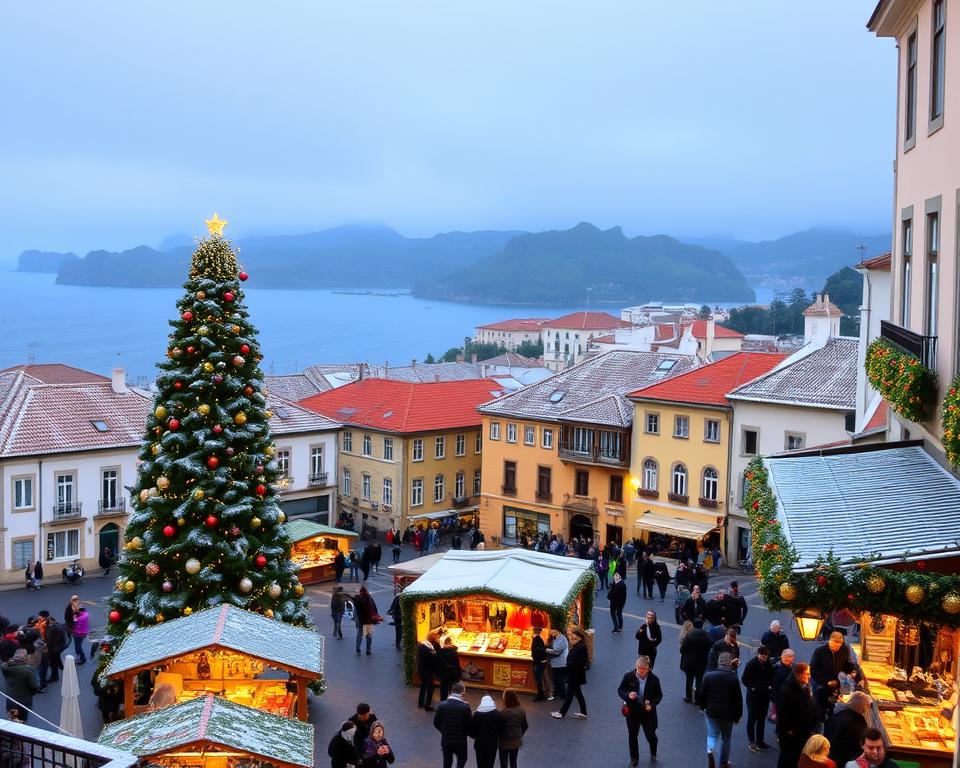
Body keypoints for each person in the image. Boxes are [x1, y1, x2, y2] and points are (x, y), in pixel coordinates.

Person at [699, 652, 743, 768]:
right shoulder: (733, 678)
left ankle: (710, 750)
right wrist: (738, 716)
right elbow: (738, 700)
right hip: (728, 714)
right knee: (726, 738)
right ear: (729, 663)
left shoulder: (709, 676)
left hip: (712, 711)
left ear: (718, 662)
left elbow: (703, 694)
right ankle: (723, 762)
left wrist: (702, 707)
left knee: (712, 734)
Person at [618, 655, 662, 765]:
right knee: (632, 735)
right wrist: (628, 695)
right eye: (638, 668)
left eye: (643, 669)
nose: (640, 671)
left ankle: (653, 750)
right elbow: (620, 690)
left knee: (650, 735)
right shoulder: (629, 676)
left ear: (648, 668)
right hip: (633, 711)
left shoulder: (654, 679)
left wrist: (651, 704)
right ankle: (634, 759)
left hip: (648, 712)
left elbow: (659, 696)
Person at [811, 632, 857, 725]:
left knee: (833, 707)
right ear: (830, 641)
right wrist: (826, 682)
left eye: (840, 644)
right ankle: (817, 723)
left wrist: (852, 669)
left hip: (835, 686)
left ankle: (829, 724)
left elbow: (844, 665)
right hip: (821, 686)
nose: (838, 647)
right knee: (819, 707)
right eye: (836, 644)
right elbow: (813, 670)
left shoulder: (843, 651)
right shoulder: (820, 651)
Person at [776, 662, 815, 768]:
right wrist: (790, 731)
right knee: (788, 760)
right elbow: (782, 714)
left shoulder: (804, 687)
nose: (809, 676)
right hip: (792, 736)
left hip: (801, 734)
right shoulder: (787, 690)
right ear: (798, 674)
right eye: (807, 674)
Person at [741, 645, 774, 752]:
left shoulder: (768, 664)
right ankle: (752, 741)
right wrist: (753, 687)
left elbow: (772, 678)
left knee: (761, 719)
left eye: (765, 657)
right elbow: (744, 679)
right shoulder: (751, 664)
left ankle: (760, 741)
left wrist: (770, 686)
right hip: (753, 697)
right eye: (762, 656)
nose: (764, 659)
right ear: (758, 654)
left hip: (764, 696)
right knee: (752, 718)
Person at [826, 691, 871, 768]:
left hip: (831, 749)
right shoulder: (855, 723)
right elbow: (857, 745)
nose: (866, 709)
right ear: (861, 707)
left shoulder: (840, 710)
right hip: (841, 755)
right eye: (865, 707)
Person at [551, 628, 588, 720]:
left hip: (574, 675)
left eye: (574, 638)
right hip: (577, 675)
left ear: (579, 638)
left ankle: (561, 713)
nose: (572, 639)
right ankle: (583, 712)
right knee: (578, 694)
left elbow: (575, 663)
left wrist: (568, 672)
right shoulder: (581, 646)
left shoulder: (578, 648)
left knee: (569, 695)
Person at [434, 681, 472, 768]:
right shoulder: (465, 707)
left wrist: (444, 731)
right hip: (460, 742)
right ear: (462, 693)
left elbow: (436, 723)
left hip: (446, 740)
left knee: (447, 762)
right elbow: (469, 725)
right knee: (462, 759)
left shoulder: (442, 706)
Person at [680, 618, 713, 704]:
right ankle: (698, 699)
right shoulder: (706, 635)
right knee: (699, 680)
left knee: (689, 679)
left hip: (690, 661)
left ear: (693, 625)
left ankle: (689, 697)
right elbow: (710, 645)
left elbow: (683, 649)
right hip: (702, 661)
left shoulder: (689, 635)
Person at [1, 649, 38, 722]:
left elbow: (4, 664)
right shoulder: (28, 670)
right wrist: (33, 692)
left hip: (10, 697)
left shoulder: (5, 668)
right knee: (22, 720)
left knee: (12, 719)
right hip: (23, 699)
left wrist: (11, 660)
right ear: (25, 659)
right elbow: (34, 686)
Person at [469, 694, 502, 768]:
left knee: (480, 764)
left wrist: (475, 736)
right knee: (490, 764)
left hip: (479, 745)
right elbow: (501, 729)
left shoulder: (477, 715)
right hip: (492, 745)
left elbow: (471, 731)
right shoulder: (498, 715)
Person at [498, 689, 528, 768]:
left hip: (504, 742)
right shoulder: (521, 710)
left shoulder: (503, 712)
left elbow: (499, 727)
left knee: (503, 763)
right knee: (513, 761)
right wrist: (519, 735)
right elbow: (525, 726)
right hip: (516, 740)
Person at [417, 631, 441, 711]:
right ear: (432, 638)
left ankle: (421, 703)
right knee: (431, 687)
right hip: (427, 671)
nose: (437, 639)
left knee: (423, 686)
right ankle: (428, 705)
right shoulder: (426, 648)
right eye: (436, 638)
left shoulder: (423, 645)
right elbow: (434, 658)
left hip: (422, 670)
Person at [40, 613, 66, 684]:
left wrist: (46, 644)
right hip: (58, 648)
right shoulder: (59, 627)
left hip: (53, 649)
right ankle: (62, 668)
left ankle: (55, 676)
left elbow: (49, 640)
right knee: (57, 659)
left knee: (53, 663)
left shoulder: (50, 628)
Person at [354, 585, 378, 656]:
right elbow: (374, 609)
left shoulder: (358, 600)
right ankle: (368, 650)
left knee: (359, 635)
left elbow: (355, 612)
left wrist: (356, 621)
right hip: (368, 621)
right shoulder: (370, 599)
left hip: (361, 620)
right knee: (368, 636)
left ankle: (358, 651)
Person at [545, 628, 568, 702]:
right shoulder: (557, 638)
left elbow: (558, 652)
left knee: (560, 679)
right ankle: (558, 693)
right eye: (551, 630)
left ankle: (564, 695)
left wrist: (547, 650)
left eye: (553, 630)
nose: (551, 631)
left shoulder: (562, 639)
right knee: (556, 679)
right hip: (556, 663)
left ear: (558, 630)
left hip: (561, 663)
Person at [439, 636, 462, 701]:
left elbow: (439, 664)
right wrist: (459, 675)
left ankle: (443, 701)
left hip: (443, 674)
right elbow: (457, 664)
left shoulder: (440, 652)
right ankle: (453, 701)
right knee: (453, 688)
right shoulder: (454, 653)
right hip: (453, 673)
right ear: (450, 643)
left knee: (443, 688)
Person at [531, 627, 549, 701]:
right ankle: (540, 694)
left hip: (539, 662)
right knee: (538, 678)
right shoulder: (539, 639)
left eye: (534, 630)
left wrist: (536, 659)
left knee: (538, 678)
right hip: (539, 662)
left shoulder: (537, 639)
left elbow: (538, 650)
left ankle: (540, 695)